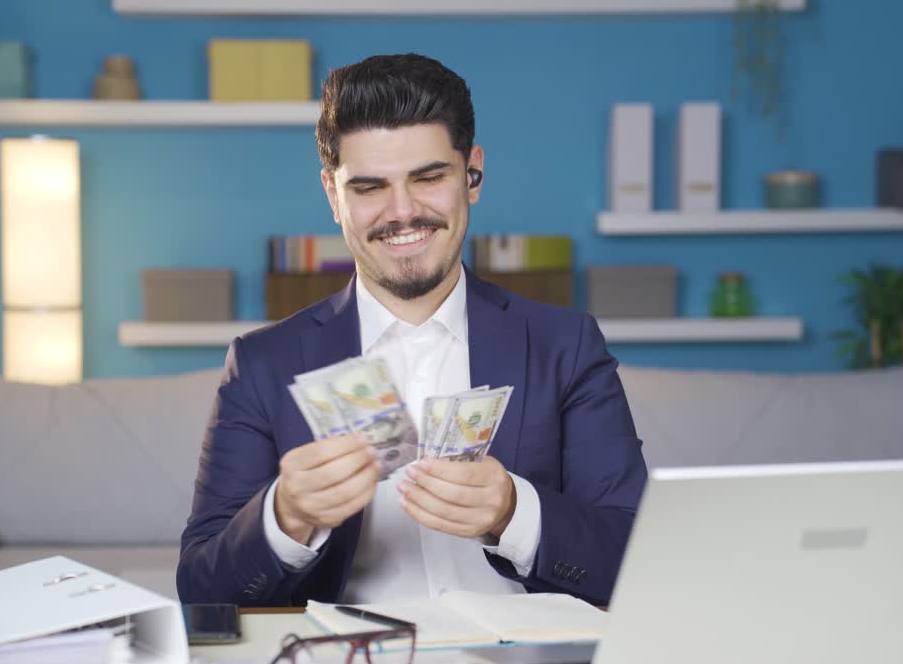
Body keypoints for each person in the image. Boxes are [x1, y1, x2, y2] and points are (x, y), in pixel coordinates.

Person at [177, 53, 647, 607]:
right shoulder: (263, 365)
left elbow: (639, 560)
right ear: (333, 194)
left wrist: (514, 513)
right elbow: (202, 591)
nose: (402, 213)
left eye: (427, 178)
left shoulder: (564, 347)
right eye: (370, 187)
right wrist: (286, 517)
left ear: (472, 174)